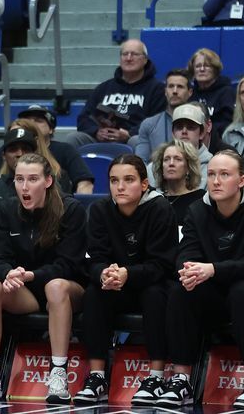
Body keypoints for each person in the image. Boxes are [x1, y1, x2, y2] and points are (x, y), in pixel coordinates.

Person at [133, 150, 244, 407]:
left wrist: (212, 269)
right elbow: (185, 251)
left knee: (242, 291)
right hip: (210, 289)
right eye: (211, 174)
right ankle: (181, 379)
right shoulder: (197, 209)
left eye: (224, 175)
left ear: (242, 180)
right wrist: (189, 272)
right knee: (180, 289)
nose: (216, 181)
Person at [0, 153, 87, 403]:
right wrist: (7, 274)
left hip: (67, 288)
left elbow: (68, 265)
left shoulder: (70, 209)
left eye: (32, 179)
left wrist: (32, 275)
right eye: (19, 179)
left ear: (48, 182)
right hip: (25, 289)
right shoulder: (6, 208)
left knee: (55, 287)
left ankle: (58, 373)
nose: (25, 186)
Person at [73, 154, 175, 403]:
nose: (120, 186)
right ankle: (97, 375)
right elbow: (93, 259)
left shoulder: (160, 208)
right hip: (117, 284)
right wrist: (104, 273)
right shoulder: (99, 210)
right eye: (114, 180)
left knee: (155, 295)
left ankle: (156, 375)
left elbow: (162, 264)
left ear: (143, 184)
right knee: (94, 293)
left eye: (128, 180)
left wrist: (128, 273)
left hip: (152, 283)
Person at [72, 40, 167, 147]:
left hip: (132, 138)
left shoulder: (157, 89)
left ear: (145, 60)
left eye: (134, 54)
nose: (129, 58)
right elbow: (84, 117)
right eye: (125, 54)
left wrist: (129, 134)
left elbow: (157, 120)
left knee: (137, 141)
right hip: (101, 137)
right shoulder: (104, 88)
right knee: (74, 138)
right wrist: (96, 131)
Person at [150, 140, 205, 216]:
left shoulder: (201, 199)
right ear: (161, 168)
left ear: (188, 168)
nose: (171, 163)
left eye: (178, 159)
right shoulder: (155, 202)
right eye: (166, 159)